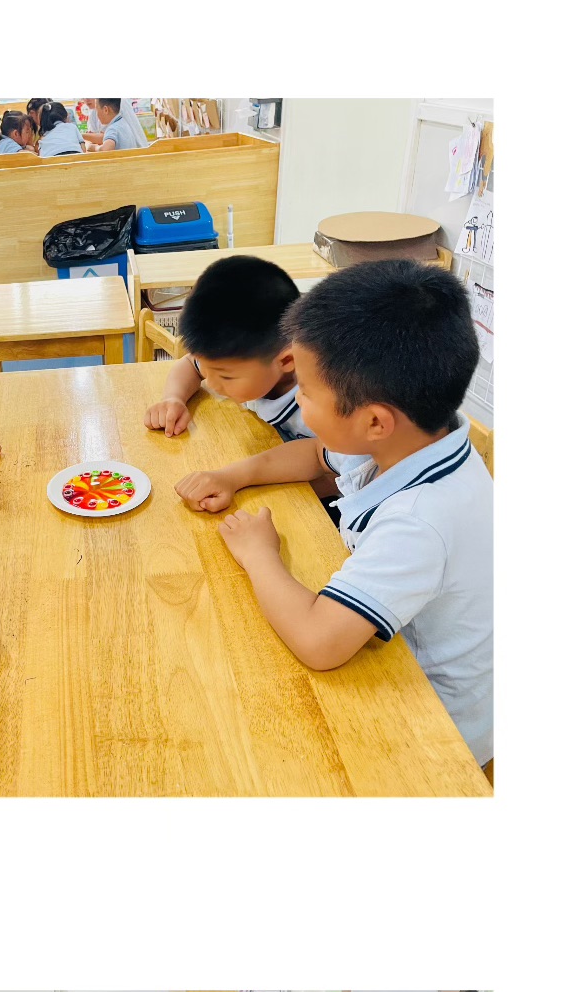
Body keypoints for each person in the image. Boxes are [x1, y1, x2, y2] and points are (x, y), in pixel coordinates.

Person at [205, 262, 492, 768]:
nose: (299, 402)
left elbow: (320, 643)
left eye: (307, 392)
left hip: (434, 729)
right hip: (393, 658)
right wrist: (236, 475)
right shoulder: (416, 438)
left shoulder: (419, 520)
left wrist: (258, 553)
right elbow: (316, 456)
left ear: (375, 421)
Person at [144, 253, 310, 450]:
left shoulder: (321, 406)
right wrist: (174, 398)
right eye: (208, 371)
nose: (211, 383)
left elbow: (326, 460)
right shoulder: (245, 358)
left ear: (286, 361)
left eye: (226, 377)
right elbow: (190, 364)